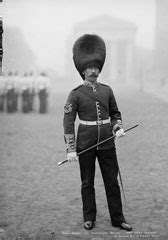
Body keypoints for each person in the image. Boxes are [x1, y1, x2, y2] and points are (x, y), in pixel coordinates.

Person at [63, 34, 132, 231]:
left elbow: (115, 113)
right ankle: (89, 217)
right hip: (85, 143)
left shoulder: (107, 90)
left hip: (108, 143)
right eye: (89, 68)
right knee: (87, 182)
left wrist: (117, 127)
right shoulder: (75, 94)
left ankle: (118, 219)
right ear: (82, 70)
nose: (93, 71)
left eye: (96, 68)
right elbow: (68, 121)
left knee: (112, 182)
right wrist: (70, 148)